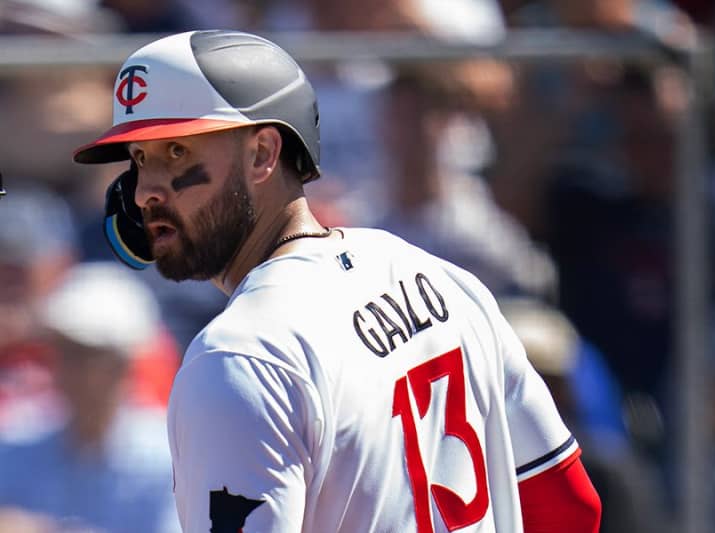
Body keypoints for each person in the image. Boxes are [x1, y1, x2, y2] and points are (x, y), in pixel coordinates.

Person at [73, 29, 601, 532]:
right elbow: (568, 506)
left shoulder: (238, 358)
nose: (143, 192)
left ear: (263, 153)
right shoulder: (438, 277)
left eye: (176, 152)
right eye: (139, 160)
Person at [0, 261, 180, 533]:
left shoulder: (166, 459)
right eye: (64, 352)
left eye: (86, 356)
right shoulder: (17, 441)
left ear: (122, 366)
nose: (69, 369)